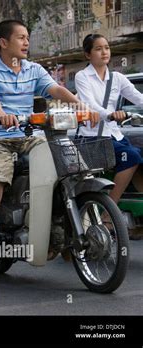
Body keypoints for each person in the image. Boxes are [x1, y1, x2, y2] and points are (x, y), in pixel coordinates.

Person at [0, 20, 99, 234]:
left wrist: (82, 107)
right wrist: (1, 115)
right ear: (4, 42)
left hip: (30, 135)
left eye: (27, 39)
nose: (26, 43)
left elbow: (56, 90)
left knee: (74, 166)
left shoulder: (34, 69)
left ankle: (73, 229)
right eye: (21, 38)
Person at [75, 33, 143, 239]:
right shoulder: (82, 77)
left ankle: (138, 213)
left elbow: (138, 97)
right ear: (88, 54)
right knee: (131, 157)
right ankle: (108, 216)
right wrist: (110, 114)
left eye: (106, 47)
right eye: (98, 48)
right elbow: (89, 104)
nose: (104, 52)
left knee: (139, 157)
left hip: (113, 135)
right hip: (91, 138)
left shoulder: (117, 78)